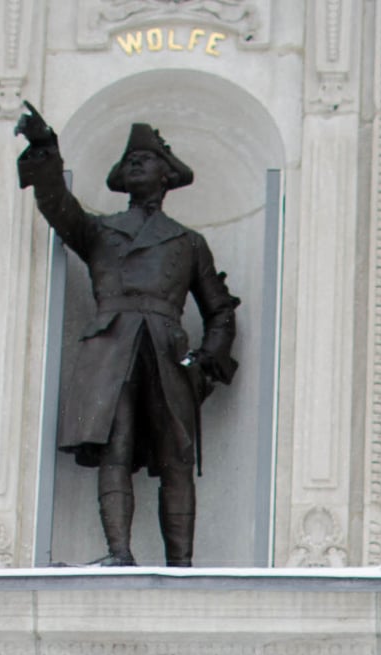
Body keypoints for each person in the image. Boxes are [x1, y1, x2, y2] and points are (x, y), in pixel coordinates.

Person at [16, 105, 238, 567]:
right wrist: (44, 147)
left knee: (177, 455)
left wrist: (205, 364)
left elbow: (219, 310)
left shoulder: (187, 241)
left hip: (165, 348)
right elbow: (57, 204)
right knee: (114, 444)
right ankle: (119, 552)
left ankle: (182, 566)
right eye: (130, 159)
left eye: (148, 157)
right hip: (110, 346)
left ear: (166, 175)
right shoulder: (100, 230)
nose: (136, 162)